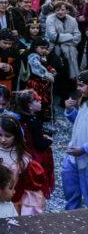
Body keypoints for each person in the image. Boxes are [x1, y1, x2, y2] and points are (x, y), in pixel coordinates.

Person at [0, 115, 47, 215]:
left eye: (7, 136)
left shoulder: (22, 158)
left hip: (13, 201)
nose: (3, 139)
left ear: (16, 136)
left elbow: (29, 186)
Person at [14, 89, 55, 198]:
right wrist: (49, 140)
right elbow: (39, 145)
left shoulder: (21, 119)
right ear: (29, 106)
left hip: (24, 153)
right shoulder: (34, 121)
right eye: (37, 101)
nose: (40, 102)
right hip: (36, 157)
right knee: (37, 181)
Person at [63, 70, 88, 210]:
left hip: (85, 157)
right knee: (71, 193)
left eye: (82, 85)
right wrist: (70, 110)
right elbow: (80, 124)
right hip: (73, 156)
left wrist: (84, 149)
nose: (78, 89)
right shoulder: (84, 102)